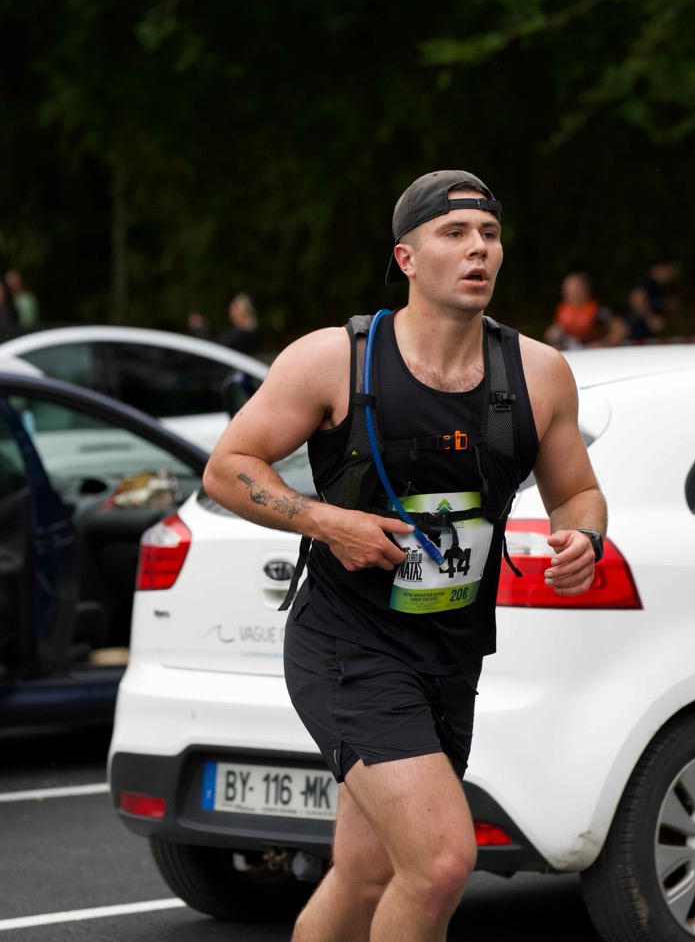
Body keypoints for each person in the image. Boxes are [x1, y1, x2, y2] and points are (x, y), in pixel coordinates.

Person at [203, 169, 607, 942]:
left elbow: (579, 494)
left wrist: (582, 539)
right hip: (346, 644)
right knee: (442, 862)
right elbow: (227, 469)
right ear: (406, 258)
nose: (477, 248)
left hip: (451, 651)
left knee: (367, 874)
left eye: (488, 234)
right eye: (454, 234)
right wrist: (330, 523)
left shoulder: (537, 373)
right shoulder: (334, 360)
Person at [544, 270, 627, 349]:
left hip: (593, 353)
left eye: (574, 289)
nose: (569, 292)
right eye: (566, 289)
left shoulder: (596, 309)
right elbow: (555, 331)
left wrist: (603, 344)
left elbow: (621, 330)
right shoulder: (563, 309)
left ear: (585, 290)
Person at [624, 256, 680, 341]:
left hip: (645, 334)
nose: (671, 277)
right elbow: (637, 300)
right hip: (634, 330)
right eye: (671, 271)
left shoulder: (658, 286)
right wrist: (650, 318)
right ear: (663, 267)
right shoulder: (647, 280)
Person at [188, 292, 261, 355]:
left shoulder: (243, 334)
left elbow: (214, 349)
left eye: (234, 310)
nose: (231, 314)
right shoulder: (246, 332)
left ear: (243, 311)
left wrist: (198, 328)